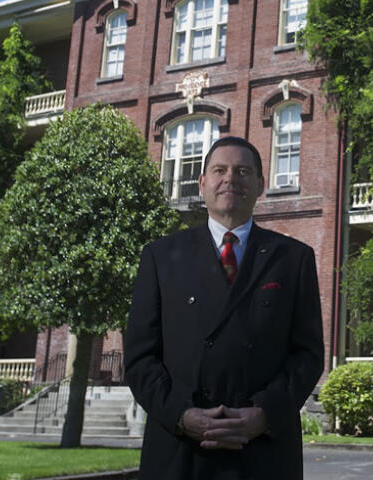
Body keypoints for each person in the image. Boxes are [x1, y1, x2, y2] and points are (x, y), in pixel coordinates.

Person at [125, 136, 324, 479]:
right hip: (180, 452)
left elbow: (307, 355)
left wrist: (264, 414)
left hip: (263, 452)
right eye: (220, 170)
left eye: (243, 171)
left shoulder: (293, 259)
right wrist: (182, 414)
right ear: (202, 183)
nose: (231, 178)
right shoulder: (160, 257)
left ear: (261, 184)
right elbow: (140, 357)